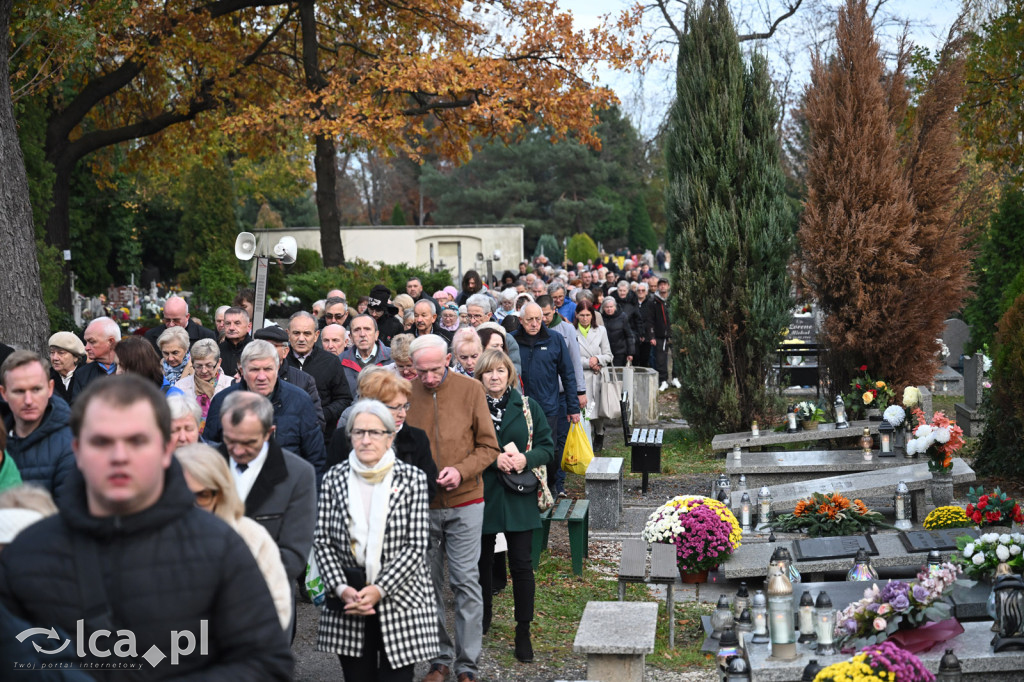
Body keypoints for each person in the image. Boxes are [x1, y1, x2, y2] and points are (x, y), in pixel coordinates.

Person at [0, 375, 294, 678]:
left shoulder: (219, 546)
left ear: (166, 448)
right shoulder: (26, 555)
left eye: (137, 441)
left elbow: (266, 663)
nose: (119, 457)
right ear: (77, 449)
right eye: (101, 441)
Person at [314, 400, 438, 681]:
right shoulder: (334, 478)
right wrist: (342, 588)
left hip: (401, 598)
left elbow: (416, 545)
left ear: (390, 437)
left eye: (375, 432)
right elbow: (321, 541)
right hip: (349, 600)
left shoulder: (413, 479)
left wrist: (378, 589)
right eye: (358, 432)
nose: (366, 439)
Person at [405, 335, 500, 682]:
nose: (429, 378)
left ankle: (467, 666)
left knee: (465, 582)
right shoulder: (405, 393)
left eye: (435, 369)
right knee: (427, 584)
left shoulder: (470, 389)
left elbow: (489, 446)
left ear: (448, 359)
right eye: (422, 371)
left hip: (466, 499)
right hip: (422, 504)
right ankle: (438, 660)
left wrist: (460, 471)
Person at [473, 349, 553, 663]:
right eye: (488, 372)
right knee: (481, 566)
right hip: (483, 494)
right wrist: (492, 459)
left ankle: (523, 630)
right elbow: (463, 447)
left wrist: (525, 458)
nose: (494, 377)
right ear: (480, 376)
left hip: (520, 495)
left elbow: (547, 445)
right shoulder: (472, 406)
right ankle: (483, 617)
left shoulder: (528, 406)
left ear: (509, 374)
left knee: (521, 566)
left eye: (500, 371)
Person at [176, 443, 292, 630]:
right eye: (182, 495)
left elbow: (277, 609)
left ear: (221, 493)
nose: (193, 506)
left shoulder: (252, 537)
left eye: (203, 496)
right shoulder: (149, 540)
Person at [217, 391, 316, 597]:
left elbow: (295, 553)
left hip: (269, 598)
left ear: (269, 432)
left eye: (248, 442)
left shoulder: (298, 474)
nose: (238, 451)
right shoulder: (206, 466)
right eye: (230, 440)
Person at [205, 341, 327, 478]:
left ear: (277, 368)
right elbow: (210, 453)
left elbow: (316, 460)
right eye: (254, 370)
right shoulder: (222, 402)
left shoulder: (300, 401)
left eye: (268, 369)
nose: (261, 377)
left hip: (287, 491)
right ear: (242, 371)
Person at [326, 369, 437, 502]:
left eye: (404, 406)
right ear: (373, 406)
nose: (402, 414)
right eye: (395, 407)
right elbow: (331, 485)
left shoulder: (417, 438)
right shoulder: (344, 438)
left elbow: (428, 488)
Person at [510, 303, 580, 497]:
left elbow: (568, 374)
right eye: (529, 320)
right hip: (519, 406)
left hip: (548, 405)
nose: (534, 324)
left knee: (551, 448)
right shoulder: (512, 341)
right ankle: (525, 484)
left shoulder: (554, 339)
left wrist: (573, 407)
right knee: (523, 446)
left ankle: (551, 485)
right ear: (521, 320)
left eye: (538, 319)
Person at [0, 351, 74, 503]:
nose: (28, 400)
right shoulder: (3, 437)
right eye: (19, 391)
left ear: (50, 388)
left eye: (36, 390)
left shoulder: (70, 445)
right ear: (4, 393)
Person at [285, 311, 353, 440]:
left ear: (316, 336)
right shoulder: (279, 361)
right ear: (288, 334)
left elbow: (344, 399)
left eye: (306, 333)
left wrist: (320, 414)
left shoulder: (331, 361)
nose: (301, 338)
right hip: (286, 434)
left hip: (322, 436)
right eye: (296, 333)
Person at [253, 326, 326, 430]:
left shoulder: (304, 381)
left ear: (285, 351)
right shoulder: (247, 378)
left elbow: (316, 422)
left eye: (272, 346)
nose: (265, 351)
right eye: (261, 346)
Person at [574, 300, 613, 451]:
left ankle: (600, 432)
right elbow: (572, 358)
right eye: (582, 315)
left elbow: (609, 355)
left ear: (592, 315)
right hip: (583, 376)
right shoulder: (573, 332)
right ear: (576, 315)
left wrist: (597, 360)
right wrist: (588, 362)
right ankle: (587, 439)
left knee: (599, 409)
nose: (585, 318)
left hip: (599, 376)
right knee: (586, 410)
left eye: (588, 315)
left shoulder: (601, 331)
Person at [175, 338, 234, 432]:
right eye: (198, 366)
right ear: (192, 363)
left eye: (209, 365)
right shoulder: (180, 386)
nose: (204, 371)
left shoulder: (231, 385)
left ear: (218, 363)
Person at [340, 314, 393, 396]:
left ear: (376, 335)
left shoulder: (393, 358)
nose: (362, 334)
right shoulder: (340, 361)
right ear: (350, 337)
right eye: (357, 330)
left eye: (367, 329)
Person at [115, 336, 183, 397]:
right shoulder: (117, 394)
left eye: (123, 366)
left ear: (140, 366)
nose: (117, 372)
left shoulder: (174, 397)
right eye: (116, 365)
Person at [143, 295, 217, 351]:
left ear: (187, 317)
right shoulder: (151, 336)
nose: (171, 325)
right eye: (167, 320)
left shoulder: (205, 336)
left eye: (176, 320)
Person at [74, 316, 121, 390]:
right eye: (86, 342)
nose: (86, 348)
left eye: (92, 342)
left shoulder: (134, 369)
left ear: (111, 342)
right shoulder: (82, 374)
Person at [650, 277, 681, 391]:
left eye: (665, 284)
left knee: (676, 357)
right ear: (658, 287)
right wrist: (651, 336)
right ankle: (663, 381)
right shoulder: (653, 301)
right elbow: (650, 320)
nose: (663, 286)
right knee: (661, 359)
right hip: (659, 335)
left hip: (674, 334)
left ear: (668, 286)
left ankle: (675, 378)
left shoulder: (674, 299)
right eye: (661, 284)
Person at [48, 331, 85, 405]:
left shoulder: (87, 376)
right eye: (52, 352)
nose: (55, 358)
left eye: (61, 353)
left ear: (75, 357)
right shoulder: (46, 377)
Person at [601, 296, 635, 367]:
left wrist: (630, 353)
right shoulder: (600, 317)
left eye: (611, 307)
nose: (609, 309)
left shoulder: (622, 316)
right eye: (607, 307)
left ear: (615, 307)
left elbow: (629, 335)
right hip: (603, 352)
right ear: (603, 308)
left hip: (619, 352)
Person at [219, 306, 253, 377]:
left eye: (237, 323)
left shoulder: (256, 350)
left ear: (249, 326)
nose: (231, 328)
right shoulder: (217, 350)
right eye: (228, 323)